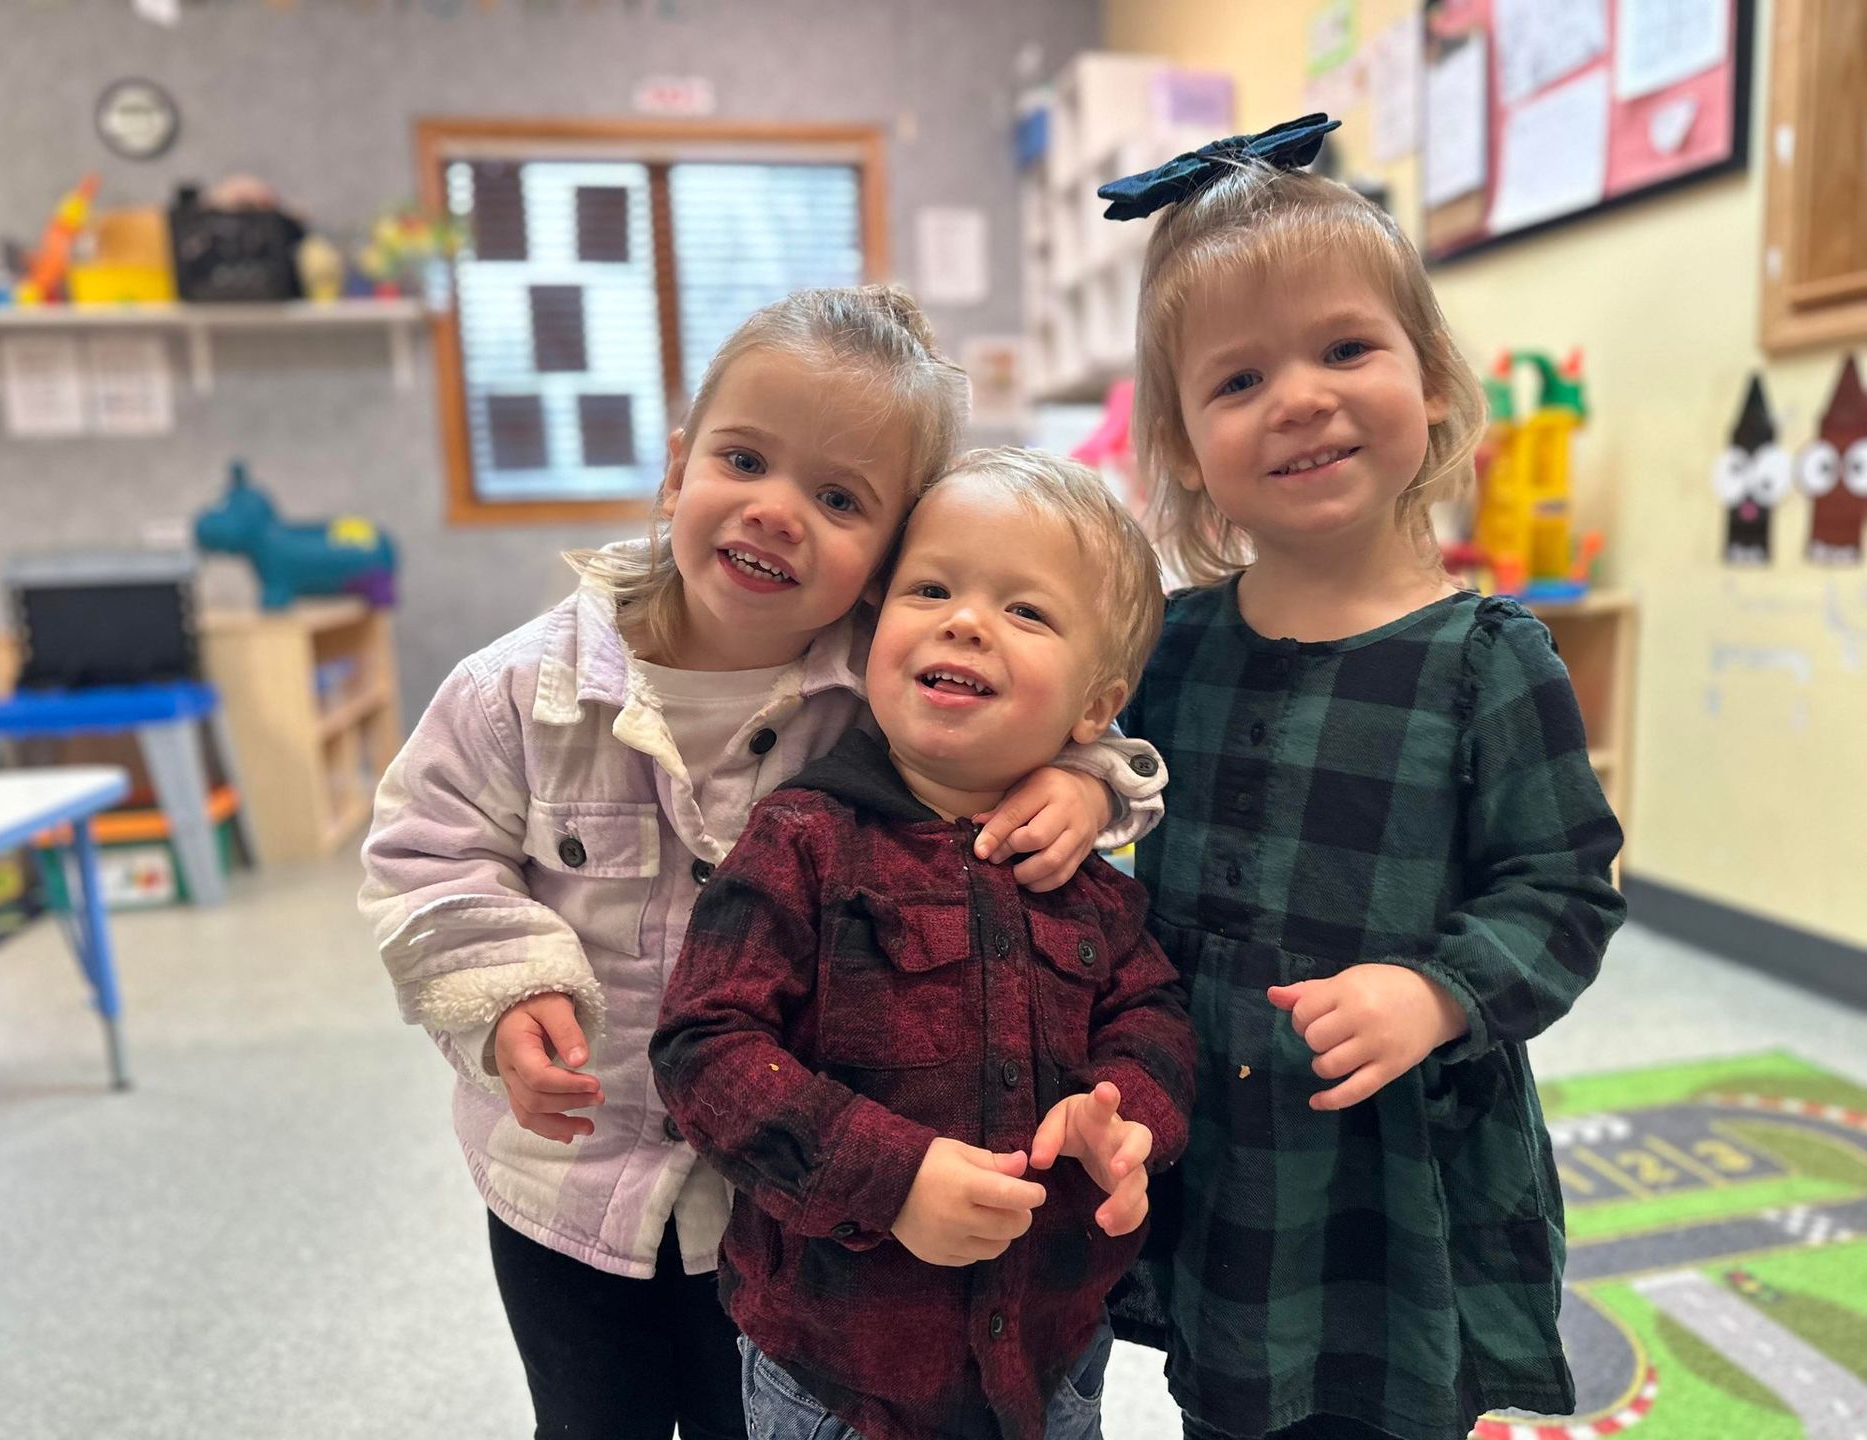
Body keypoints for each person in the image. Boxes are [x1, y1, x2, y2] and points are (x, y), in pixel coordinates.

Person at [359, 289, 1167, 1440]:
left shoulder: (882, 683)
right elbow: (424, 853)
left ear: (886, 560)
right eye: (744, 459)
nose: (778, 511)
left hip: (779, 1197)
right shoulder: (516, 692)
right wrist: (504, 995)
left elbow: (1048, 723)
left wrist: (1087, 780)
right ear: (679, 468)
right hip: (571, 1186)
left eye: (839, 499)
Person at [1100, 116, 1628, 1440]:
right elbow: (1105, 784)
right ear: (1183, 445)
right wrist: (1078, 790)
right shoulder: (1168, 646)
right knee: (1225, 1388)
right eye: (1238, 381)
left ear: (1433, 380)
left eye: (1345, 349)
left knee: (1393, 1404)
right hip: (1216, 1138)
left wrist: (1438, 991)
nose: (1299, 397)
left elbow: (1564, 887)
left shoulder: (1490, 662)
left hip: (1399, 1165)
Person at [651, 448, 1199, 1440]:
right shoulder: (804, 841)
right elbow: (704, 1050)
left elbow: (1152, 1012)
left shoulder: (1088, 879)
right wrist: (890, 1178)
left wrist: (1131, 1123)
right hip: (836, 1381)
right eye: (932, 588)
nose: (965, 620)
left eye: (1027, 612)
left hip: (1054, 1363)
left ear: (1094, 706)